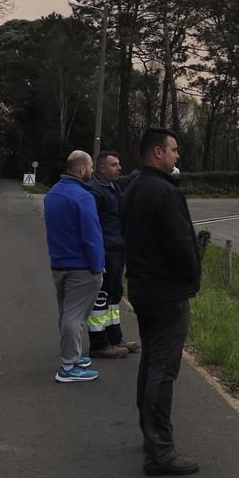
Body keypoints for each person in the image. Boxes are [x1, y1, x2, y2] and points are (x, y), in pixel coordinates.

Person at [122, 127, 202, 476]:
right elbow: (180, 245)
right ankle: (161, 451)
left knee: (152, 360)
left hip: (142, 288)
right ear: (157, 152)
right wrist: (193, 276)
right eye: (173, 149)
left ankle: (150, 436)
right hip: (167, 292)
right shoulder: (165, 193)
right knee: (163, 369)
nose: (177, 155)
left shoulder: (133, 187)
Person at [44, 150, 106, 383]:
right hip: (81, 267)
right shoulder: (83, 197)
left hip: (58, 264)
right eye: (90, 167)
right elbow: (92, 236)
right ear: (81, 170)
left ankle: (74, 356)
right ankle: (68, 366)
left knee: (66, 313)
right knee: (76, 316)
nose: (91, 171)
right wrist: (98, 266)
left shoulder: (52, 194)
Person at [85, 151, 138, 358]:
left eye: (119, 164)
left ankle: (115, 338)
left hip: (118, 249)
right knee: (102, 295)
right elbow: (92, 227)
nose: (119, 168)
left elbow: (132, 177)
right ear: (101, 169)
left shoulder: (115, 185)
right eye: (114, 165)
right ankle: (99, 343)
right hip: (105, 251)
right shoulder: (95, 192)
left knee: (115, 294)